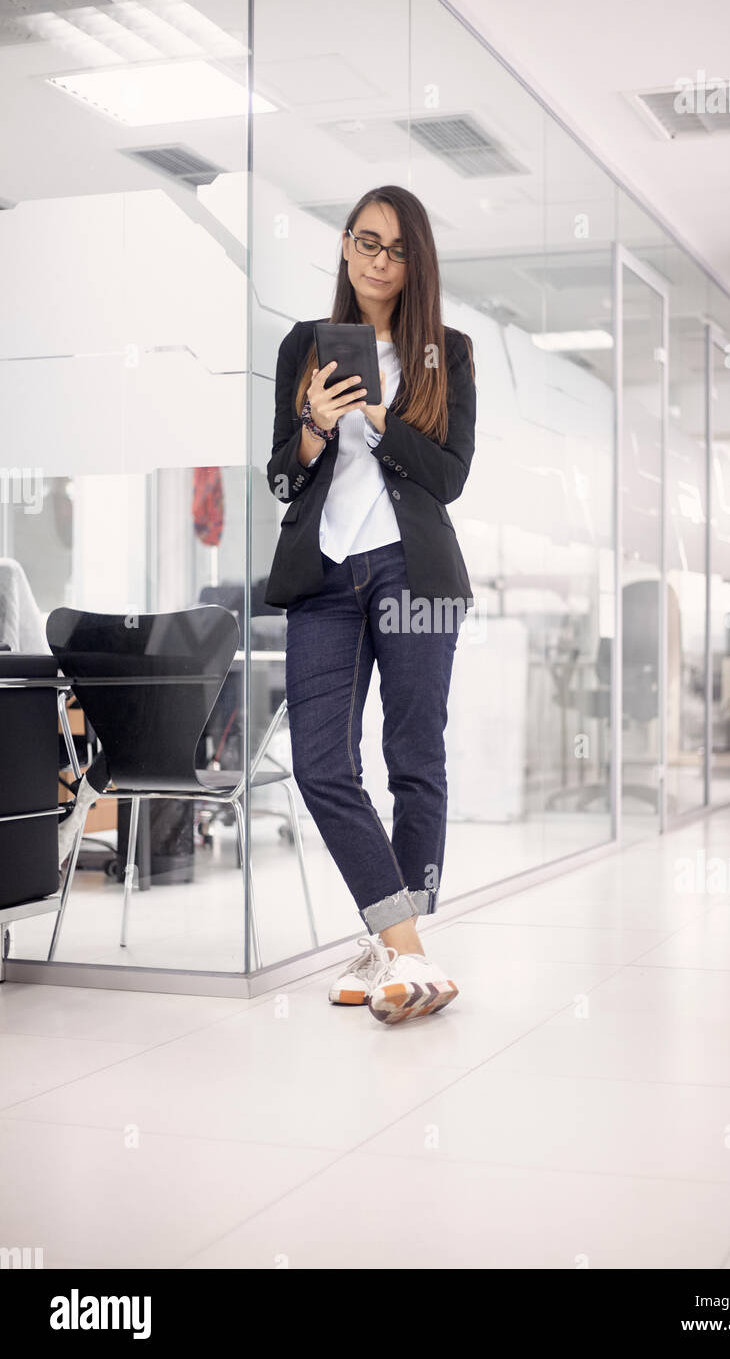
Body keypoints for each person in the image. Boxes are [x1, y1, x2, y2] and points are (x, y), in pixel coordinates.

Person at [264, 184, 476, 1026]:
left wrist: (382, 423)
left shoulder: (445, 352)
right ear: (346, 246)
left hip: (411, 570)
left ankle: (392, 946)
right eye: (365, 242)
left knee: (414, 764)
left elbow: (452, 477)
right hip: (324, 574)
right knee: (320, 765)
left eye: (394, 249)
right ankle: (407, 952)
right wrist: (313, 426)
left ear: (414, 261)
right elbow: (281, 476)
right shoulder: (304, 346)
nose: (377, 261)